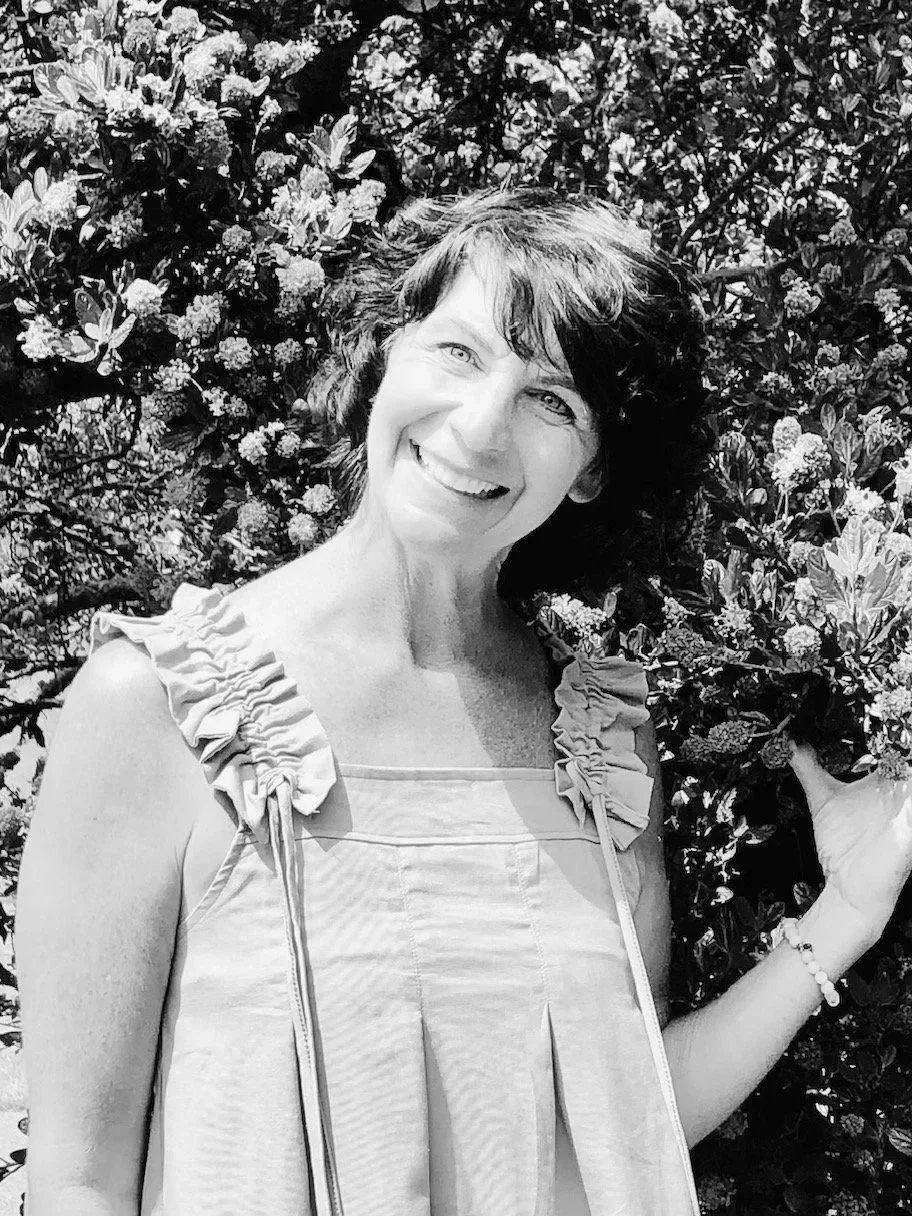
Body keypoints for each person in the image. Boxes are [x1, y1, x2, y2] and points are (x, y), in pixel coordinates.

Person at [14, 188, 912, 1216]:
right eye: (457, 352)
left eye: (553, 401)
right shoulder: (160, 705)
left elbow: (629, 1119)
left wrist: (846, 912)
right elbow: (77, 1182)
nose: (482, 428)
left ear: (591, 470)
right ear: (386, 358)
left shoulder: (603, 742)